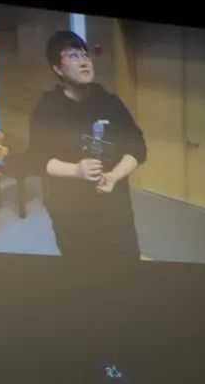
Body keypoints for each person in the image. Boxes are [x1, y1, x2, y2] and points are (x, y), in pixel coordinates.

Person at [27, 31, 145, 261]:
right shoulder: (47, 109)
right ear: (57, 68)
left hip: (114, 212)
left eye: (85, 55)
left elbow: (137, 146)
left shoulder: (111, 103)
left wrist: (114, 176)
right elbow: (36, 158)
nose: (84, 61)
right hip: (70, 215)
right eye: (73, 55)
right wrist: (76, 170)